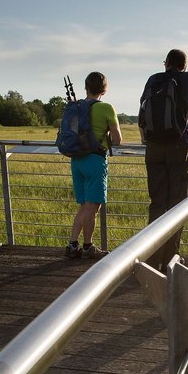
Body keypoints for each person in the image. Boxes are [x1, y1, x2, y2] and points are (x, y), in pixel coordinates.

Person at [139, 49, 188, 269]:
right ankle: (170, 258)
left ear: (166, 64)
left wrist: (145, 139)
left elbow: (142, 111)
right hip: (179, 147)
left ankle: (151, 256)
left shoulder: (153, 79)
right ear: (184, 65)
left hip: (153, 147)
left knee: (157, 202)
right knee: (177, 203)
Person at [65, 71, 122, 260]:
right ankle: (88, 247)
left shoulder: (76, 106)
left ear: (86, 87)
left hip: (77, 159)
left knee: (83, 206)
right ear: (104, 90)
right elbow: (118, 139)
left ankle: (73, 244)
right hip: (95, 160)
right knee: (92, 208)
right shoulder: (106, 108)